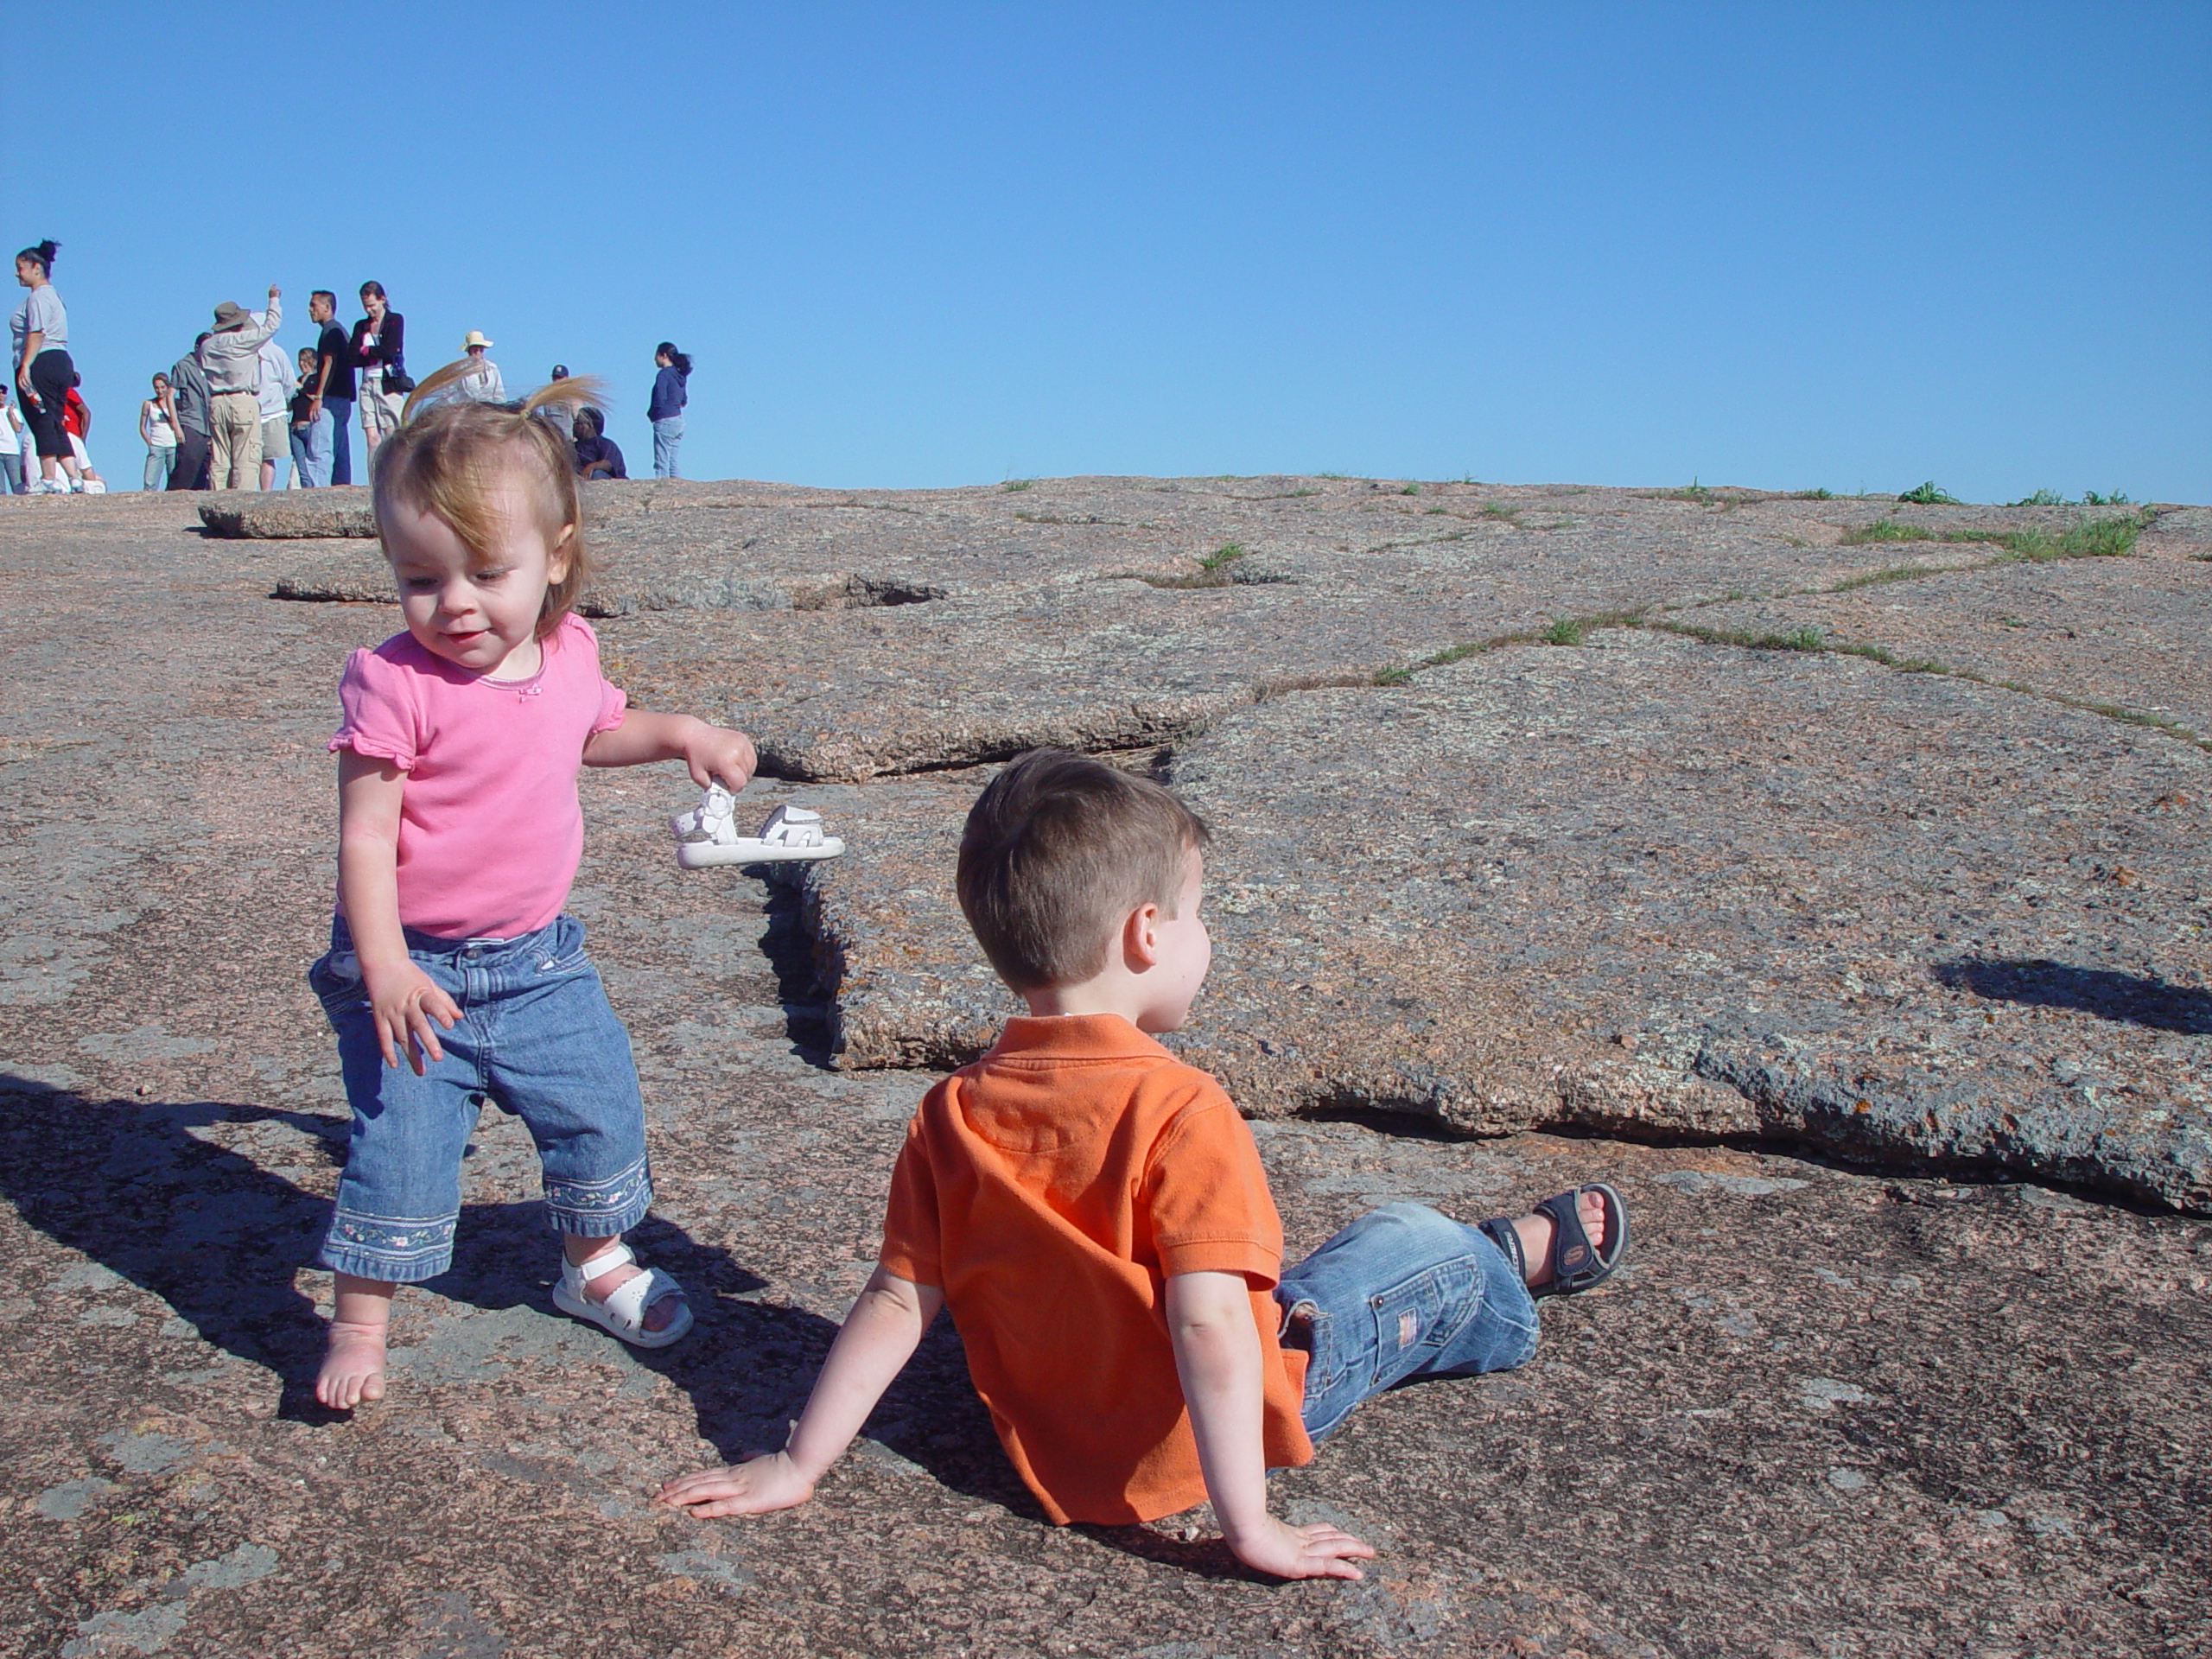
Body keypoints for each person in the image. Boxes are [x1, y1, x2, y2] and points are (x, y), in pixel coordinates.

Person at [656, 750, 1630, 1579]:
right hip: (1190, 1447)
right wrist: (1248, 1527)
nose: (1206, 938)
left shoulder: (950, 1111)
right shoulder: (1180, 1109)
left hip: (1053, 1448)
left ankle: (1461, 1260)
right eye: (1198, 913)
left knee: (1285, 1267)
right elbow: (1208, 1327)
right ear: (1145, 934)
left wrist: (797, 1465)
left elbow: (896, 1302)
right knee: (1412, 1241)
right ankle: (1507, 1268)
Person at [308, 362, 760, 1411]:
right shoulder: (393, 683)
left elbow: (595, 732)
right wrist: (380, 968)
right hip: (413, 969)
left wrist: (681, 734)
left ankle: (591, 1264)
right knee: (402, 1152)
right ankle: (357, 1318)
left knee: (599, 1115)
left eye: (483, 573)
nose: (454, 604)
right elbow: (366, 841)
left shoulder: (566, 653)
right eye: (422, 579)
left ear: (554, 560)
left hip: (540, 960)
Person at [12, 238, 81, 494]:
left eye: (20, 268)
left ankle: (49, 478)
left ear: (35, 267)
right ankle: (73, 476)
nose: (17, 273)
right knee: (54, 418)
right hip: (60, 359)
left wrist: (26, 366)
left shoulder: (39, 297)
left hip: (43, 360)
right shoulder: (55, 295)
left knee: (40, 416)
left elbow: (37, 332)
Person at [198, 289, 282, 490]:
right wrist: (274, 299)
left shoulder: (207, 346)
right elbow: (272, 326)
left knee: (219, 459)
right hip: (242, 400)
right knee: (246, 458)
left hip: (216, 402)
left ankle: (217, 500)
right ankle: (241, 504)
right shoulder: (242, 340)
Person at [350, 281, 406, 461]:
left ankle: (395, 479)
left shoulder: (395, 320)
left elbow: (390, 350)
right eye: (365, 306)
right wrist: (372, 354)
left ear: (382, 299)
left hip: (388, 383)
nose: (369, 310)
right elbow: (351, 357)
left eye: (372, 305)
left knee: (392, 433)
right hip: (367, 383)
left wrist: (367, 351)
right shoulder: (361, 326)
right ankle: (374, 482)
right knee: (371, 436)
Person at [306, 290, 354, 486]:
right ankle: (341, 486)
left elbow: (328, 361)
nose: (310, 310)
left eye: (314, 305)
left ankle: (318, 490)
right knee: (340, 446)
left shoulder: (330, 331)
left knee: (320, 448)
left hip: (330, 398)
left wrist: (319, 395)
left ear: (327, 307)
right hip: (344, 397)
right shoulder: (341, 331)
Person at [165, 336, 213, 492]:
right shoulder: (183, 366)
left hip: (209, 426)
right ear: (197, 347)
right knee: (187, 467)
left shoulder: (211, 367)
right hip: (191, 422)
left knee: (204, 473)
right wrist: (176, 426)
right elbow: (170, 395)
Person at [257, 319, 295, 491]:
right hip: (253, 413)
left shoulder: (276, 352)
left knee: (269, 456)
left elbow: (289, 382)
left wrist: (283, 405)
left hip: (273, 412)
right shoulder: (245, 352)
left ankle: (266, 492)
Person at [289, 347, 332, 488]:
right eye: (300, 361)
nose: (301, 364)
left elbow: (318, 399)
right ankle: (305, 491)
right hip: (295, 426)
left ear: (312, 361)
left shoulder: (316, 379)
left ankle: (316, 489)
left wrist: (302, 389)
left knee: (314, 461)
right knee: (301, 467)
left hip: (309, 425)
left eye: (305, 360)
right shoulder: (298, 379)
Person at [648, 341, 690, 478]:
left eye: (656, 355)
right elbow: (684, 400)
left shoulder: (664, 375)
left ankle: (662, 490)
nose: (654, 359)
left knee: (662, 462)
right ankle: (677, 490)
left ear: (663, 355)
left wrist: (652, 414)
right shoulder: (680, 376)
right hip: (678, 419)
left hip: (665, 420)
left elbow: (659, 398)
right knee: (672, 461)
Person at [61, 380, 107, 493]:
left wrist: (82, 438)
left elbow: (86, 412)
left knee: (85, 470)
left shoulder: (68, 392)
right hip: (64, 434)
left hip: (72, 433)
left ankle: (97, 484)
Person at [141, 373, 180, 491]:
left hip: (173, 446)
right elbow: (142, 426)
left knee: (174, 482)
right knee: (150, 482)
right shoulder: (148, 404)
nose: (159, 390)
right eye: (157, 387)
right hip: (156, 445)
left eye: (162, 387)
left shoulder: (175, 404)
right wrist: (149, 442)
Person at [572, 405, 625, 480]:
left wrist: (591, 467)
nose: (574, 426)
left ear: (590, 425)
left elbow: (607, 464)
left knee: (597, 474)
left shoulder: (606, 444)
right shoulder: (573, 447)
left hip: (606, 478)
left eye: (578, 422)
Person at [455, 331, 505, 403]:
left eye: (480, 348)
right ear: (469, 350)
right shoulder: (461, 370)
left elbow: (499, 395)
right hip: (468, 410)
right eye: (475, 348)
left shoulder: (492, 368)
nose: (478, 351)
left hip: (490, 410)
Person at [537, 365, 576, 446]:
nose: (557, 380)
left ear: (567, 378)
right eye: (555, 377)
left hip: (568, 442)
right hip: (552, 441)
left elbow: (578, 419)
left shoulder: (573, 396)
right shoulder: (547, 397)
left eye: (560, 378)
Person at [0, 384, 26, 494]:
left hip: (12, 451)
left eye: (3, 393)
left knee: (17, 485)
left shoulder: (13, 411)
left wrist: (11, 414)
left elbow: (18, 428)